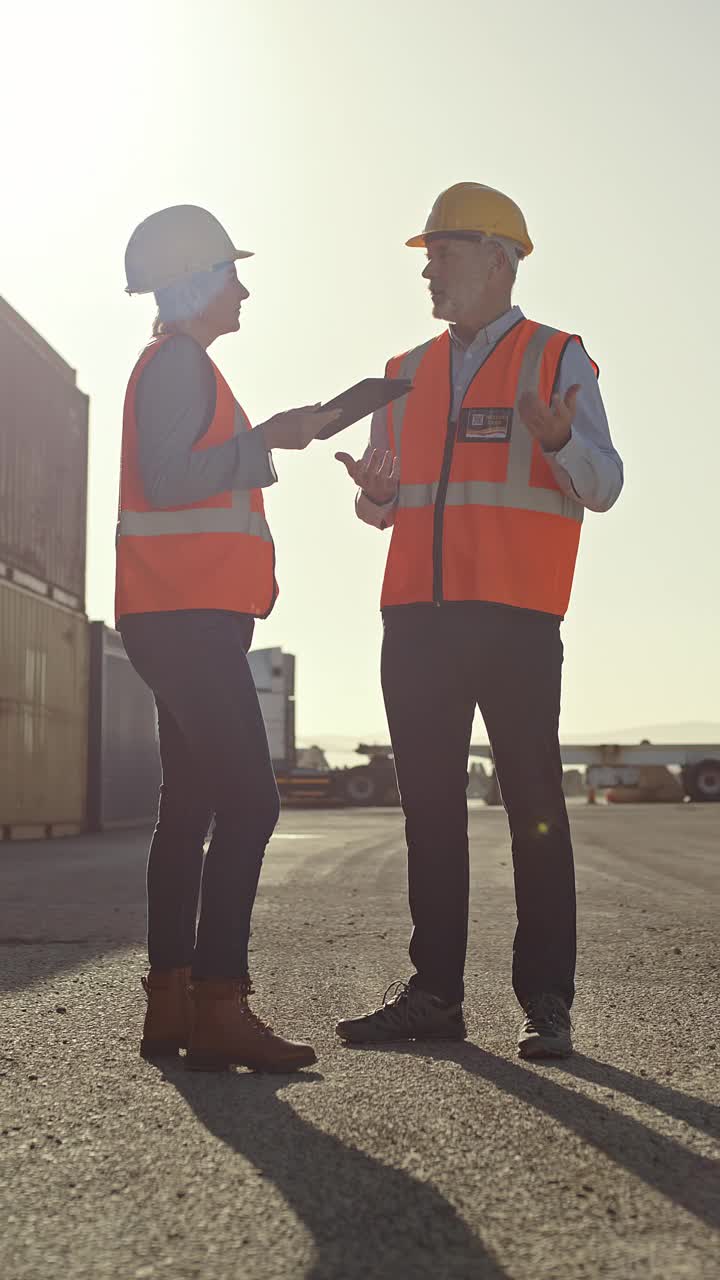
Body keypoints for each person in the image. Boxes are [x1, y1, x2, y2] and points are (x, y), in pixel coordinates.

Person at [335, 183, 623, 1059]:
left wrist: (558, 442)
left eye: (446, 252)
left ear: (500, 258)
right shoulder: (405, 370)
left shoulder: (558, 357)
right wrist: (376, 501)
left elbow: (604, 487)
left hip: (516, 617)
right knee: (429, 810)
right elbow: (386, 505)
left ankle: (546, 1001)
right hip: (417, 622)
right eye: (426, 256)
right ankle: (436, 996)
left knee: (534, 805)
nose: (430, 270)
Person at [117, 204, 340, 1071]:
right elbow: (175, 479)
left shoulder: (176, 364)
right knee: (252, 804)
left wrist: (263, 440)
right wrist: (268, 441)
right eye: (231, 272)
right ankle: (219, 1004)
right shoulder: (179, 365)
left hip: (172, 615)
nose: (244, 287)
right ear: (198, 282)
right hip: (188, 621)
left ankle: (170, 1002)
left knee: (190, 812)